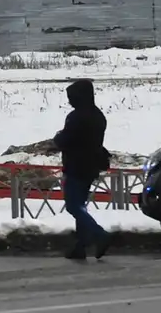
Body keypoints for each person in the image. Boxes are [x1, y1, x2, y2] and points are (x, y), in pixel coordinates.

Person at [53, 79, 113, 260]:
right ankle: (81, 247)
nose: (70, 101)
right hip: (92, 166)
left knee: (73, 206)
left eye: (71, 97)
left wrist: (57, 137)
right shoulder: (98, 116)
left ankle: (99, 235)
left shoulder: (76, 117)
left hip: (75, 166)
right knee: (80, 205)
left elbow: (65, 140)